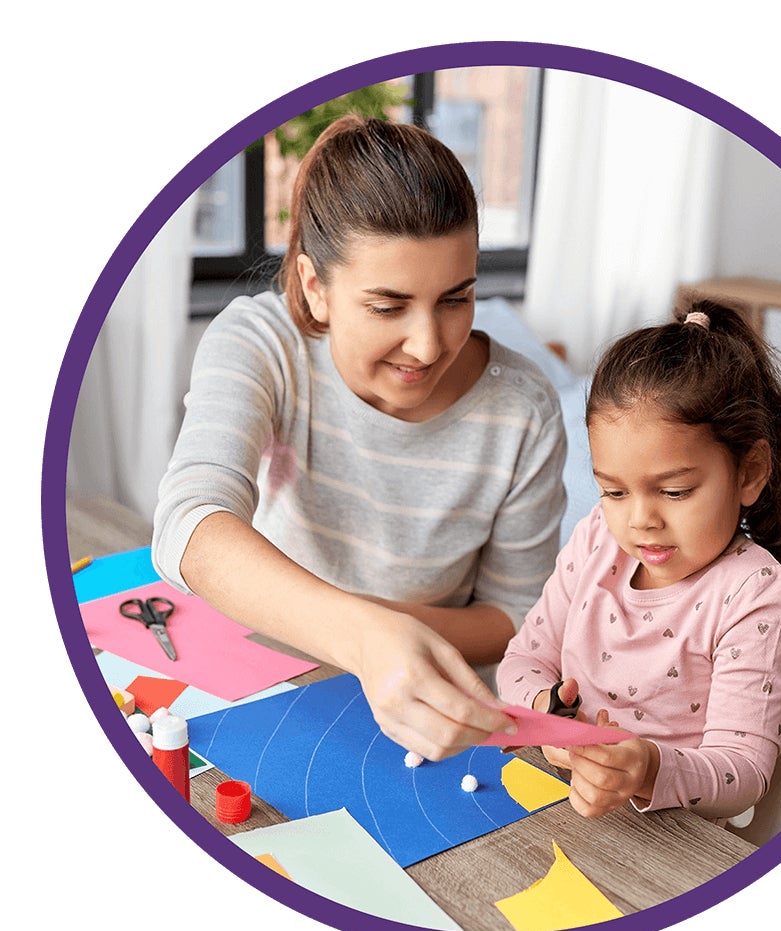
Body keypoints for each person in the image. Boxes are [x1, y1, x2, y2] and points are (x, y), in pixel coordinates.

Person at [152, 115, 567, 761]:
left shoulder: (524, 410)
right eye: (388, 306)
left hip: (434, 722)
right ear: (316, 287)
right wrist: (364, 634)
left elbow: (518, 618)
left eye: (456, 298)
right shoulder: (263, 343)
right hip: (270, 683)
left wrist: (384, 637)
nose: (429, 345)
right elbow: (188, 522)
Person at [497, 300, 781, 822]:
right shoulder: (594, 541)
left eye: (674, 492)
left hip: (674, 838)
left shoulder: (754, 593)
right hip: (559, 800)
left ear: (750, 473)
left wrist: (647, 767)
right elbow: (521, 662)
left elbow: (743, 774)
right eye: (614, 491)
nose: (640, 521)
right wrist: (546, 714)